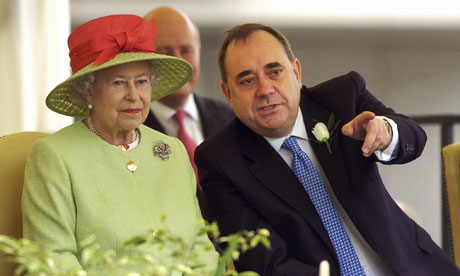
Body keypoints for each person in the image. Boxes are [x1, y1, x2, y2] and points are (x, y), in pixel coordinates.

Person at [194, 23, 460, 275]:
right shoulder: (220, 161)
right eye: (247, 81)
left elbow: (414, 138)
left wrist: (387, 132)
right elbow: (264, 263)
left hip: (412, 267)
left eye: (274, 72)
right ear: (228, 94)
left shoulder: (342, 97)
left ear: (296, 73)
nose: (265, 89)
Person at [21, 14, 218, 273]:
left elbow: (200, 248)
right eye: (118, 83)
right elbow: (53, 260)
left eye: (142, 82)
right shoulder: (54, 156)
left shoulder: (173, 150)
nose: (133, 96)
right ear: (88, 90)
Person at [142, 7, 234, 195]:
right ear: (143, 59)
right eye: (165, 53)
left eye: (186, 51)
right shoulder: (127, 132)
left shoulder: (231, 118)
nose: (179, 63)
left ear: (199, 52)